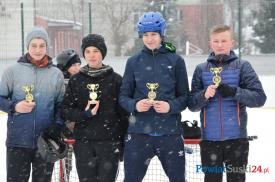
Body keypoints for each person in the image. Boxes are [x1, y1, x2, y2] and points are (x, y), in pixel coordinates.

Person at [188, 24, 266, 182]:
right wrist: (204, 95)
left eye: (224, 40)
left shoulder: (243, 66)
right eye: (216, 41)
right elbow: (192, 105)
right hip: (209, 141)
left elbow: (259, 98)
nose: (220, 44)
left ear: (232, 43)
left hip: (237, 141)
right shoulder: (201, 69)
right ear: (210, 43)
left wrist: (234, 92)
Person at [119, 11, 190, 182]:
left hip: (170, 134)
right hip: (138, 135)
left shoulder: (176, 61)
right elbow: (123, 97)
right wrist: (135, 105)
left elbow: (185, 97)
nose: (149, 39)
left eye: (154, 34)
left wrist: (170, 107)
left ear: (162, 34)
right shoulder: (133, 62)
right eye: (145, 34)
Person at [0, 26, 65, 182]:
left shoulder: (55, 74)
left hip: (45, 142)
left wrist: (57, 125)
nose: (38, 50)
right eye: (33, 45)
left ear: (47, 47)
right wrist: (14, 106)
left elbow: (61, 105)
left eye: (42, 45)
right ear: (27, 46)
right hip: (18, 142)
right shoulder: (12, 71)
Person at [61, 33, 129, 182]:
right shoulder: (76, 80)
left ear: (103, 53)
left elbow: (124, 115)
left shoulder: (116, 80)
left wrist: (123, 144)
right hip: (83, 144)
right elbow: (66, 110)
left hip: (109, 143)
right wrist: (84, 114)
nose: (92, 55)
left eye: (96, 51)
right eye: (88, 51)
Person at [55, 48, 81, 180]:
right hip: (64, 131)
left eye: (78, 64)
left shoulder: (80, 80)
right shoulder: (59, 83)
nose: (77, 68)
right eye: (73, 65)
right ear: (65, 66)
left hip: (79, 130)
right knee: (65, 164)